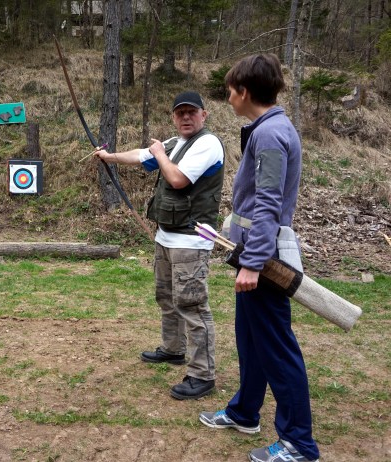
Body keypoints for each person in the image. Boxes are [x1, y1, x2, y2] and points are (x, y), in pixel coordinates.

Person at [198, 54, 320, 462]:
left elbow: (268, 203)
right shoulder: (267, 129)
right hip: (251, 253)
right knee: (251, 341)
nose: (228, 98)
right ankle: (244, 412)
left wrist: (253, 263)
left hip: (262, 259)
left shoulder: (270, 134)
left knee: (276, 348)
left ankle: (299, 443)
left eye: (230, 91)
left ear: (244, 91)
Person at [94, 91, 224, 400]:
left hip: (191, 240)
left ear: (204, 115)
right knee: (167, 297)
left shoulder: (208, 144)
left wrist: (160, 154)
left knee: (192, 305)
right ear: (174, 117)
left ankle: (202, 375)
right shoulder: (175, 143)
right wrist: (109, 157)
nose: (186, 117)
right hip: (166, 236)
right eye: (180, 113)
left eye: (192, 112)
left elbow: (178, 179)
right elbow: (141, 156)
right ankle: (173, 348)